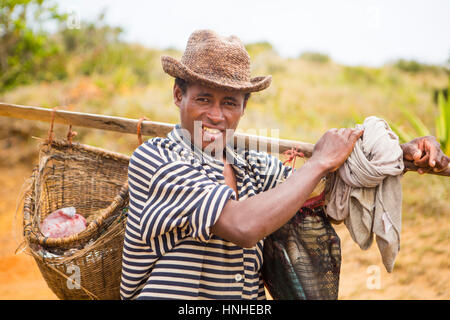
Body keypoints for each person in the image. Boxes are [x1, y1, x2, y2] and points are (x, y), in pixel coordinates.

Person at [120, 30, 449, 300]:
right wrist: (319, 161)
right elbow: (243, 226)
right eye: (204, 98)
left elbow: (323, 191)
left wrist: (398, 157)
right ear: (179, 96)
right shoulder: (157, 159)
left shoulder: (252, 164)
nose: (217, 116)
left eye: (230, 103)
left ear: (244, 108)